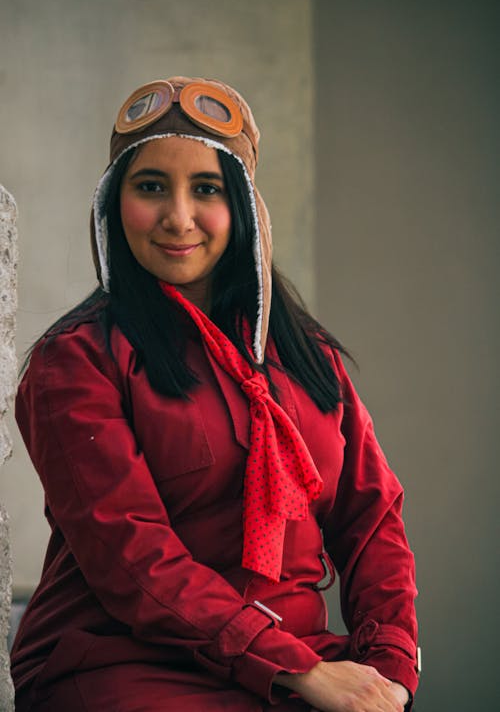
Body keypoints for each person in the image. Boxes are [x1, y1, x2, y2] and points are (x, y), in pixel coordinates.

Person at [11, 76, 419, 711]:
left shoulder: (308, 358)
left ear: (244, 207)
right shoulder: (77, 361)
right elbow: (132, 559)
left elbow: (372, 521)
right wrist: (297, 673)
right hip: (126, 662)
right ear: (115, 205)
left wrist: (389, 666)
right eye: (151, 188)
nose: (178, 218)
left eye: (207, 189)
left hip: (300, 656)